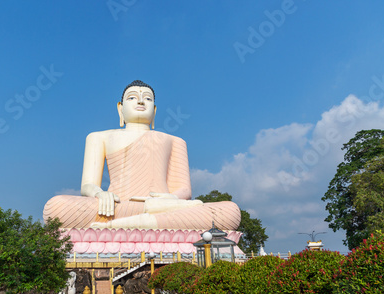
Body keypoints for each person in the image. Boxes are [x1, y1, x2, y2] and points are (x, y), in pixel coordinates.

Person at [43, 80, 240, 230]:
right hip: (117, 207)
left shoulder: (174, 140)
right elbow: (87, 185)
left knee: (229, 212)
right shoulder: (99, 137)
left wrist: (169, 199)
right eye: (132, 97)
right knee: (56, 208)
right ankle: (141, 220)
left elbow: (184, 189)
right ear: (120, 108)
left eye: (147, 98)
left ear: (154, 110)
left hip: (165, 205)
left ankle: (116, 228)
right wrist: (100, 194)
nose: (140, 101)